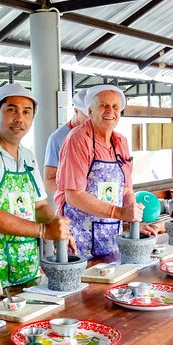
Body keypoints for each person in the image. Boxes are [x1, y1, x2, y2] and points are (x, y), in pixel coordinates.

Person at [0, 83, 71, 288]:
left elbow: (39, 206)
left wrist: (58, 228)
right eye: (11, 109)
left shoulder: (28, 157)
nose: (19, 118)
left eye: (26, 112)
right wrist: (43, 231)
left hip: (27, 268)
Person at [55, 85, 154, 266]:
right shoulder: (78, 139)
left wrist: (133, 219)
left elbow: (126, 189)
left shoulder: (121, 142)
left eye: (115, 107)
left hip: (110, 237)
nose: (110, 111)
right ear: (90, 110)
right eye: (103, 106)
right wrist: (119, 212)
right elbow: (73, 195)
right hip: (78, 237)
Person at [43, 89, 90, 195]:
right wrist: (76, 180)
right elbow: (49, 184)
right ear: (76, 111)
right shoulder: (57, 138)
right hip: (71, 206)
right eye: (88, 115)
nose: (92, 119)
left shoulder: (99, 135)